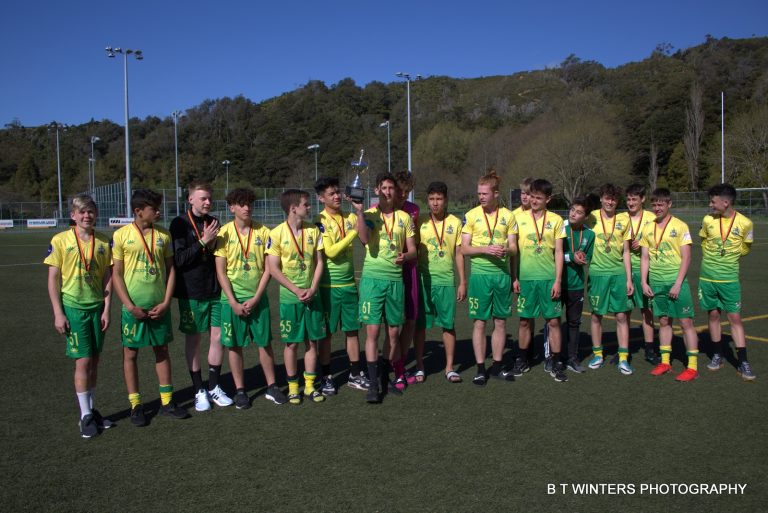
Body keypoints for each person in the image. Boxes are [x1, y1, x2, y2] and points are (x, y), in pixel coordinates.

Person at [112, 189, 188, 426]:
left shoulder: (163, 235)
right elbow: (116, 273)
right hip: (133, 308)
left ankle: (167, 402)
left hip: (159, 306)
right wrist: (128, 305)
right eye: (153, 208)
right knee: (131, 354)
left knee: (162, 351)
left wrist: (166, 301)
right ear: (138, 211)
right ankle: (136, 405)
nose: (158, 212)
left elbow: (171, 269)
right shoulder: (122, 236)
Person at [45, 194, 114, 438]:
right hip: (74, 308)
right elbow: (53, 278)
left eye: (90, 211)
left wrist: (106, 308)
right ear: (73, 215)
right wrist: (58, 313)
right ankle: (84, 415)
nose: (87, 216)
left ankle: (91, 411)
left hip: (96, 307)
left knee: (95, 361)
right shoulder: (61, 240)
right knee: (83, 361)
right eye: (81, 212)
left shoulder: (104, 242)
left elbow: (107, 276)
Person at [215, 188, 288, 408]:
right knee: (234, 346)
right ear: (232, 207)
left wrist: (257, 297)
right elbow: (220, 271)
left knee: (264, 344)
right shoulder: (224, 233)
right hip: (232, 300)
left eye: (249, 204)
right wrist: (233, 301)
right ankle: (240, 390)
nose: (247, 208)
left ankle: (272, 387)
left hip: (258, 299)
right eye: (241, 204)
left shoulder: (265, 232)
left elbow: (269, 269)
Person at [170, 181, 233, 412]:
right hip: (191, 292)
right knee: (194, 341)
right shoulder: (179, 223)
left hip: (215, 290)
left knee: (218, 337)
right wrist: (203, 241)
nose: (208, 202)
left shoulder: (214, 222)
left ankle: (214, 386)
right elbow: (179, 260)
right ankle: (199, 389)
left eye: (209, 198)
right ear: (191, 200)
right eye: (203, 198)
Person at [357, 172, 417, 403]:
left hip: (394, 280)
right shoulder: (370, 215)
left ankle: (382, 375)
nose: (388, 192)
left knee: (393, 333)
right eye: (383, 188)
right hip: (373, 280)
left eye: (391, 188)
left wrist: (406, 255)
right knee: (372, 331)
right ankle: (373, 384)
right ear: (376, 190)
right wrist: (360, 213)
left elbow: (413, 249)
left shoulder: (404, 217)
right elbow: (363, 239)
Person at [267, 189, 326, 404]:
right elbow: (273, 268)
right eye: (306, 204)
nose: (309, 208)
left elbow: (320, 262)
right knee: (292, 344)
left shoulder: (313, 231)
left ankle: (310, 386)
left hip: (312, 296)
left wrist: (312, 288)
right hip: (290, 298)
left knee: (312, 342)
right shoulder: (276, 234)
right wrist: (296, 290)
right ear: (293, 208)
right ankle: (293, 387)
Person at [313, 177, 370, 394]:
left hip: (348, 285)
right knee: (327, 334)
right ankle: (326, 376)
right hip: (328, 287)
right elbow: (331, 252)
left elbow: (365, 240)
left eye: (337, 192)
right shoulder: (319, 220)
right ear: (321, 198)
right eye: (330, 194)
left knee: (352, 331)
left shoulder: (349, 217)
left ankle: (355, 373)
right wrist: (353, 232)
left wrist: (359, 212)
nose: (336, 196)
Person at [461, 169, 517, 385]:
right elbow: (464, 249)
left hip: (501, 276)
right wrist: (486, 249)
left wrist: (504, 250)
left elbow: (514, 248)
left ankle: (497, 366)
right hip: (480, 277)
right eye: (479, 194)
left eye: (484, 193)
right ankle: (480, 368)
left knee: (501, 322)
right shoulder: (472, 215)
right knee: (480, 323)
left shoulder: (508, 216)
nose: (481, 197)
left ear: (496, 193)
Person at [640, 188, 700, 382]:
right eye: (654, 204)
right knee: (664, 321)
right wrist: (643, 281)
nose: (657, 208)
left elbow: (687, 257)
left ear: (669, 204)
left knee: (685, 323)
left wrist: (678, 283)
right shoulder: (648, 227)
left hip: (676, 282)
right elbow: (645, 257)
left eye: (661, 204)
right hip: (656, 283)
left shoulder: (680, 226)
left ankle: (692, 367)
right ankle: (665, 362)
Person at [512, 179, 568, 382]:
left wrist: (558, 280)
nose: (534, 200)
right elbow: (514, 252)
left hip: (548, 278)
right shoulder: (517, 218)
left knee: (553, 321)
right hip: (526, 279)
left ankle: (555, 361)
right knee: (525, 320)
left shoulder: (556, 220)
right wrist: (515, 277)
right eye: (532, 196)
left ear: (548, 199)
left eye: (538, 198)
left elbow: (559, 251)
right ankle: (522, 359)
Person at [699, 184, 755, 380]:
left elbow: (746, 247)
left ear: (726, 202)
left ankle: (743, 361)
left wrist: (728, 260)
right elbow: (704, 242)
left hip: (729, 279)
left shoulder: (746, 223)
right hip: (707, 278)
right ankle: (717, 355)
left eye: (713, 202)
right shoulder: (707, 220)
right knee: (713, 315)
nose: (710, 205)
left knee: (735, 319)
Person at [413, 181, 467, 382]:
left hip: (446, 281)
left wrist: (462, 282)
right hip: (423, 281)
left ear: (446, 200)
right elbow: (414, 249)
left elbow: (459, 253)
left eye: (439, 199)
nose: (435, 203)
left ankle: (450, 367)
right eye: (432, 199)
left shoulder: (455, 222)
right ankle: (420, 365)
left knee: (448, 325)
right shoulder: (421, 222)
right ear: (427, 200)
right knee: (420, 326)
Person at [585, 184, 634, 375]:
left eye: (613, 199)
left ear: (617, 201)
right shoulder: (591, 217)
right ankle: (598, 354)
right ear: (601, 199)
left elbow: (627, 251)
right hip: (597, 273)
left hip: (618, 273)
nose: (610, 202)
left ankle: (623, 357)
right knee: (596, 315)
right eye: (607, 198)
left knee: (621, 315)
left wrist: (629, 279)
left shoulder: (624, 219)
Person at [392, 171, 421, 387]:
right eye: (399, 190)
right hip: (387, 270)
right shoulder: (379, 210)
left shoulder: (413, 210)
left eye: (406, 191)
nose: (402, 194)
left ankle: (400, 364)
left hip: (409, 267)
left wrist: (409, 255)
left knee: (410, 319)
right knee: (391, 323)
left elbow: (416, 242)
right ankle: (390, 364)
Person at [625, 183, 659, 365]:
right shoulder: (621, 217)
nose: (631, 203)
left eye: (634, 199)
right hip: (626, 270)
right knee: (625, 312)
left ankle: (650, 349)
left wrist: (644, 243)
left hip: (646, 270)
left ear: (642, 199)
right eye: (628, 199)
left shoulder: (652, 217)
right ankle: (624, 350)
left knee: (647, 310)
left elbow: (659, 240)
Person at [561, 197, 595, 373]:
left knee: (574, 323)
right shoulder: (560, 228)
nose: (574, 214)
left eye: (579, 212)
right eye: (573, 210)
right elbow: (552, 254)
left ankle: (572, 358)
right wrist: (570, 257)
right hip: (558, 283)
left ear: (586, 216)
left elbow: (588, 257)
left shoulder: (589, 234)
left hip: (576, 285)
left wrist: (582, 259)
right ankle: (554, 357)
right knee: (552, 321)